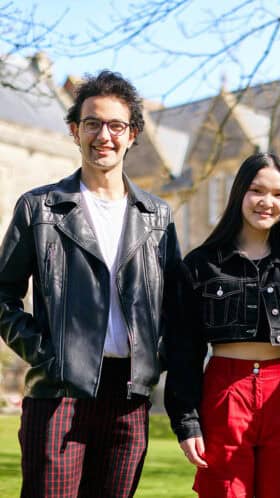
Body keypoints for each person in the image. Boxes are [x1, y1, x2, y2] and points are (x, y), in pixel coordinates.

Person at [0, 70, 181, 497]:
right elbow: (3, 294)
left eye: (116, 125)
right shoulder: (39, 208)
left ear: (133, 134)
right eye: (92, 123)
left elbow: (178, 304)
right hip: (59, 393)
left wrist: (157, 359)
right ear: (74, 131)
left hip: (129, 398)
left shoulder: (157, 217)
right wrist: (46, 353)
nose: (104, 135)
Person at [165, 152, 280, 498]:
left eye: (279, 194)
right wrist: (187, 421)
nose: (267, 202)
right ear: (239, 193)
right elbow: (182, 350)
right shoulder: (201, 264)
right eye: (258, 190)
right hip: (223, 392)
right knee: (224, 491)